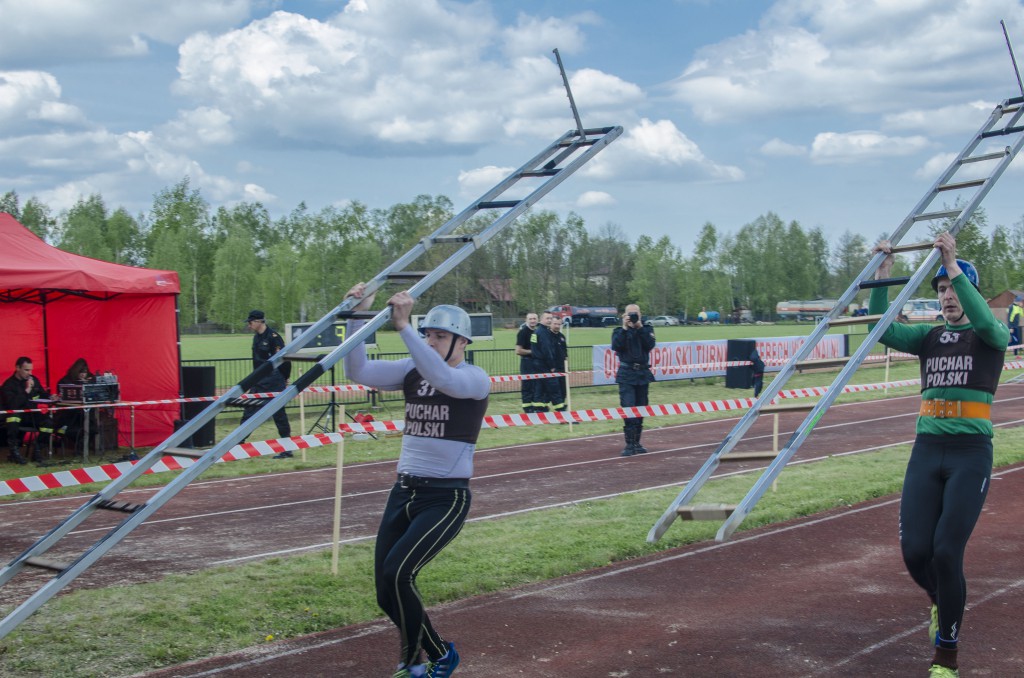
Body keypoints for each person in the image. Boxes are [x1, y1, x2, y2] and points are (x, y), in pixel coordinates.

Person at [871, 232, 1008, 678]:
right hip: (927, 451)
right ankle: (942, 601)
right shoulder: (929, 339)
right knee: (915, 553)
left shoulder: (991, 335)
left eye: (953, 287)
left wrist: (952, 262)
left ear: (970, 293)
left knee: (947, 553)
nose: (947, 295)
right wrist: (883, 274)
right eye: (942, 290)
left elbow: (988, 323)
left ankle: (945, 657)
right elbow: (882, 329)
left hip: (970, 454)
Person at [343, 283, 489, 678]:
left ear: (462, 342)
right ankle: (442, 653)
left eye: (439, 335)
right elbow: (357, 370)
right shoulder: (412, 370)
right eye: (428, 334)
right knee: (385, 592)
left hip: (445, 498)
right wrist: (358, 314)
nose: (430, 340)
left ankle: (410, 663)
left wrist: (405, 327)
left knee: (399, 573)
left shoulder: (475, 378)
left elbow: (444, 380)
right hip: (404, 491)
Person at [241, 310, 292, 456]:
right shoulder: (256, 338)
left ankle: (287, 449)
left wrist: (285, 378)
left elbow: (284, 359)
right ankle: (237, 446)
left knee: (279, 415)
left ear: (258, 322)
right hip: (259, 380)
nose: (249, 326)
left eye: (250, 322)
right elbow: (256, 361)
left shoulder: (274, 337)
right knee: (249, 411)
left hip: (274, 380)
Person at [612, 303, 656, 456]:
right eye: (629, 314)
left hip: (642, 373)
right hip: (626, 374)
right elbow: (616, 346)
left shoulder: (647, 329)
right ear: (624, 315)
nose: (632, 316)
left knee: (641, 408)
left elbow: (650, 344)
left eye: (635, 313)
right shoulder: (618, 331)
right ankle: (629, 444)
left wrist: (639, 327)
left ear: (640, 314)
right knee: (628, 407)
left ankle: (637, 442)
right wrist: (625, 328)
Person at [1, 356, 58, 464]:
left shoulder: (33, 380)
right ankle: (14, 452)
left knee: (49, 423)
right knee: (13, 417)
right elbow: (13, 405)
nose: (29, 373)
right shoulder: (9, 385)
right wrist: (27, 390)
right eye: (26, 370)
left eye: (31, 370)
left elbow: (42, 393)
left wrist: (51, 397)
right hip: (17, 416)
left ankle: (37, 450)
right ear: (18, 368)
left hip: (32, 414)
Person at [54, 357, 98, 454]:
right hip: (69, 415)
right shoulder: (65, 380)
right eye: (80, 372)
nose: (83, 374)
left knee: (94, 429)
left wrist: (88, 382)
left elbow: (95, 380)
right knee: (74, 430)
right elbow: (61, 391)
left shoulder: (90, 378)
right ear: (75, 371)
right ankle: (78, 447)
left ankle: (82, 447)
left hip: (85, 415)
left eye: (85, 372)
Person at [534, 315, 568, 413]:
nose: (557, 326)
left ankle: (551, 406)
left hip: (561, 368)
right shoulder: (547, 335)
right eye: (555, 324)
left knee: (562, 389)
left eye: (559, 324)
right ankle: (557, 409)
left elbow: (565, 352)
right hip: (550, 367)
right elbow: (547, 351)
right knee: (552, 388)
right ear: (551, 324)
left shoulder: (562, 337)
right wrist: (552, 366)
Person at [514, 312, 544, 413]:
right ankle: (527, 407)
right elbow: (518, 350)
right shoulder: (523, 332)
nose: (532, 321)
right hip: (527, 362)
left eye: (534, 319)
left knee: (538, 384)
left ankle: (537, 406)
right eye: (530, 319)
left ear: (538, 320)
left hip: (537, 362)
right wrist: (534, 352)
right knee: (527, 384)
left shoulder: (538, 332)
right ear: (526, 320)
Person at [530, 312, 555, 412]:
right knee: (546, 386)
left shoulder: (536, 331)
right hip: (543, 363)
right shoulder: (543, 332)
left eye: (550, 318)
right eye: (547, 318)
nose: (549, 320)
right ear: (541, 320)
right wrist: (552, 365)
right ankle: (540, 407)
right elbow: (546, 350)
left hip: (536, 362)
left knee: (539, 385)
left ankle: (540, 406)